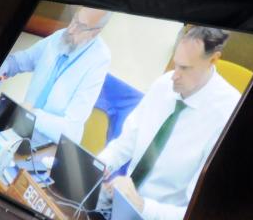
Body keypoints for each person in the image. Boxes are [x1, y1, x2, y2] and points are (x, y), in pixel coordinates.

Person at [97, 27, 240, 220]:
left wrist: (141, 206)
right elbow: (124, 144)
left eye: (185, 68)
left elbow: (195, 212)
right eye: (175, 64)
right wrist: (97, 166)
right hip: (119, 205)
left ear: (213, 60)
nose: (174, 75)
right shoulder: (164, 85)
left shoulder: (228, 115)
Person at [0, 7, 112, 144]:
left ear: (95, 32)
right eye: (74, 19)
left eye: (81, 26)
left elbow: (70, 128)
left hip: (49, 143)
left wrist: (33, 114)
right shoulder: (60, 36)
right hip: (21, 126)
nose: (70, 29)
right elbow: (18, 62)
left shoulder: (99, 60)